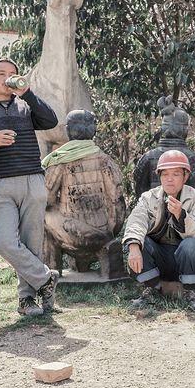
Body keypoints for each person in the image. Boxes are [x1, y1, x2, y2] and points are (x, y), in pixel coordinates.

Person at [0, 58, 60, 316]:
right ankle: (45, 279)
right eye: (2, 74)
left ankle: (27, 300)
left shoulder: (26, 107)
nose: (7, 78)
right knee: (3, 241)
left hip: (32, 180)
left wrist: (27, 93)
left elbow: (51, 120)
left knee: (32, 244)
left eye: (13, 74)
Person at [42, 109, 127, 279]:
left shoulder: (60, 160)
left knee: (43, 213)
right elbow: (118, 201)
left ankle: (51, 269)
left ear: (68, 130)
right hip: (105, 234)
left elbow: (46, 199)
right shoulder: (106, 160)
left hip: (73, 235)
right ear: (94, 130)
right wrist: (112, 229)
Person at [123, 150, 195, 311]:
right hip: (160, 257)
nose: (169, 179)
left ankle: (190, 292)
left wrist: (180, 214)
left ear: (185, 176)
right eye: (165, 175)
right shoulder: (149, 197)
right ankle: (153, 288)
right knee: (138, 241)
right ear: (160, 177)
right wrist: (134, 247)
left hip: (184, 258)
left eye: (176, 174)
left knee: (191, 244)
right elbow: (136, 220)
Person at [133, 96, 195, 238]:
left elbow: (139, 195)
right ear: (184, 130)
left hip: (154, 232)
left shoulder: (147, 158)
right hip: (186, 235)